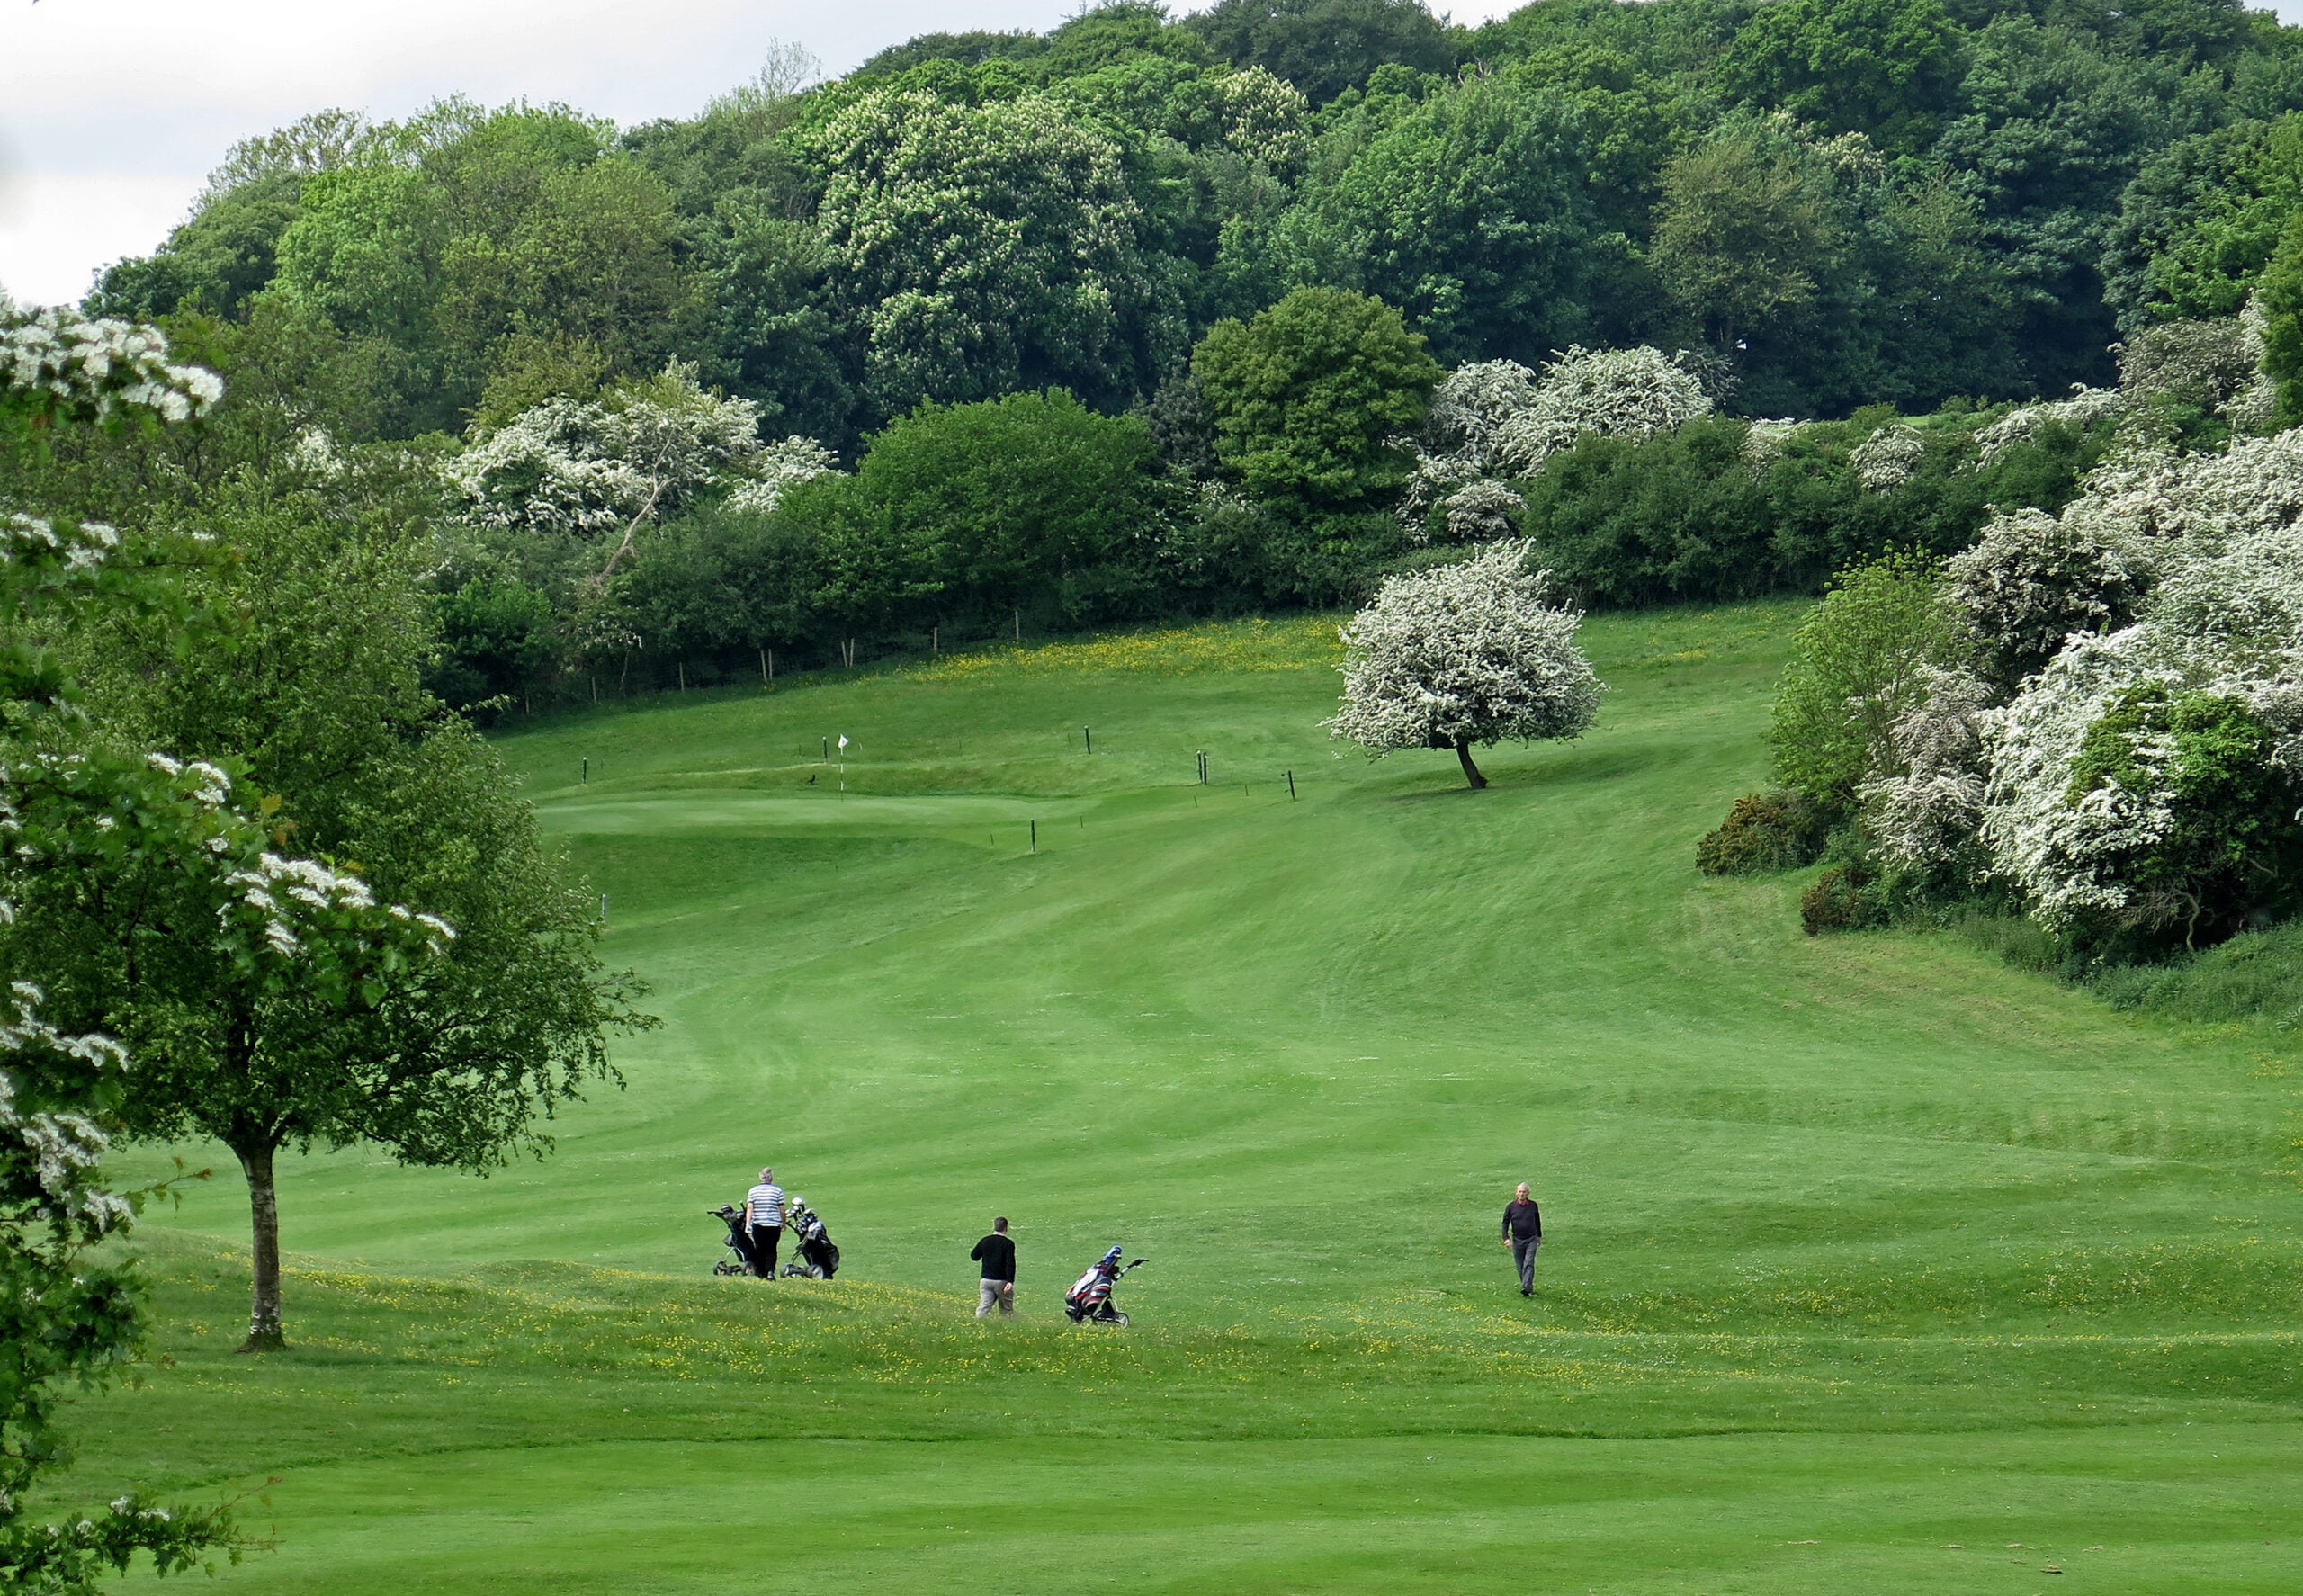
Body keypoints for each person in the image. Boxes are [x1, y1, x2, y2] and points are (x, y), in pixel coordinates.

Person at [1501, 1182, 1542, 1296]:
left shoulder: (1533, 1205)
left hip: (1531, 1238)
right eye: (1520, 1191)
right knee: (1520, 1265)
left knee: (1529, 1262)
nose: (1522, 1194)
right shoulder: (1511, 1207)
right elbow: (1505, 1223)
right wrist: (1506, 1238)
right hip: (1517, 1239)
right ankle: (1527, 1286)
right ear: (1516, 1193)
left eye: (1524, 1192)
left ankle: (1526, 1287)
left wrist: (1539, 1235)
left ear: (1528, 1193)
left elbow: (1537, 1220)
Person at [745, 1166, 785, 1278]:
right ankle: (770, 1272)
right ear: (771, 1177)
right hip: (773, 1225)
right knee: (772, 1249)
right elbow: (782, 1209)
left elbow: (750, 1208)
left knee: (760, 1248)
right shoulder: (777, 1190)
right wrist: (783, 1223)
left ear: (760, 1177)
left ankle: (761, 1272)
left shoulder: (753, 1191)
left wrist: (748, 1223)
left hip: (758, 1224)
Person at [971, 1216, 1017, 1317]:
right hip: (1001, 1281)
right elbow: (1010, 1263)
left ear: (994, 1227)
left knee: (984, 1306)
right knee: (1006, 1310)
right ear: (1006, 1228)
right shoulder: (1008, 1244)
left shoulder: (985, 1241)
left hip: (986, 1280)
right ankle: (1007, 1329)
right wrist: (1010, 1281)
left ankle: (979, 1325)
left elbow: (974, 1256)